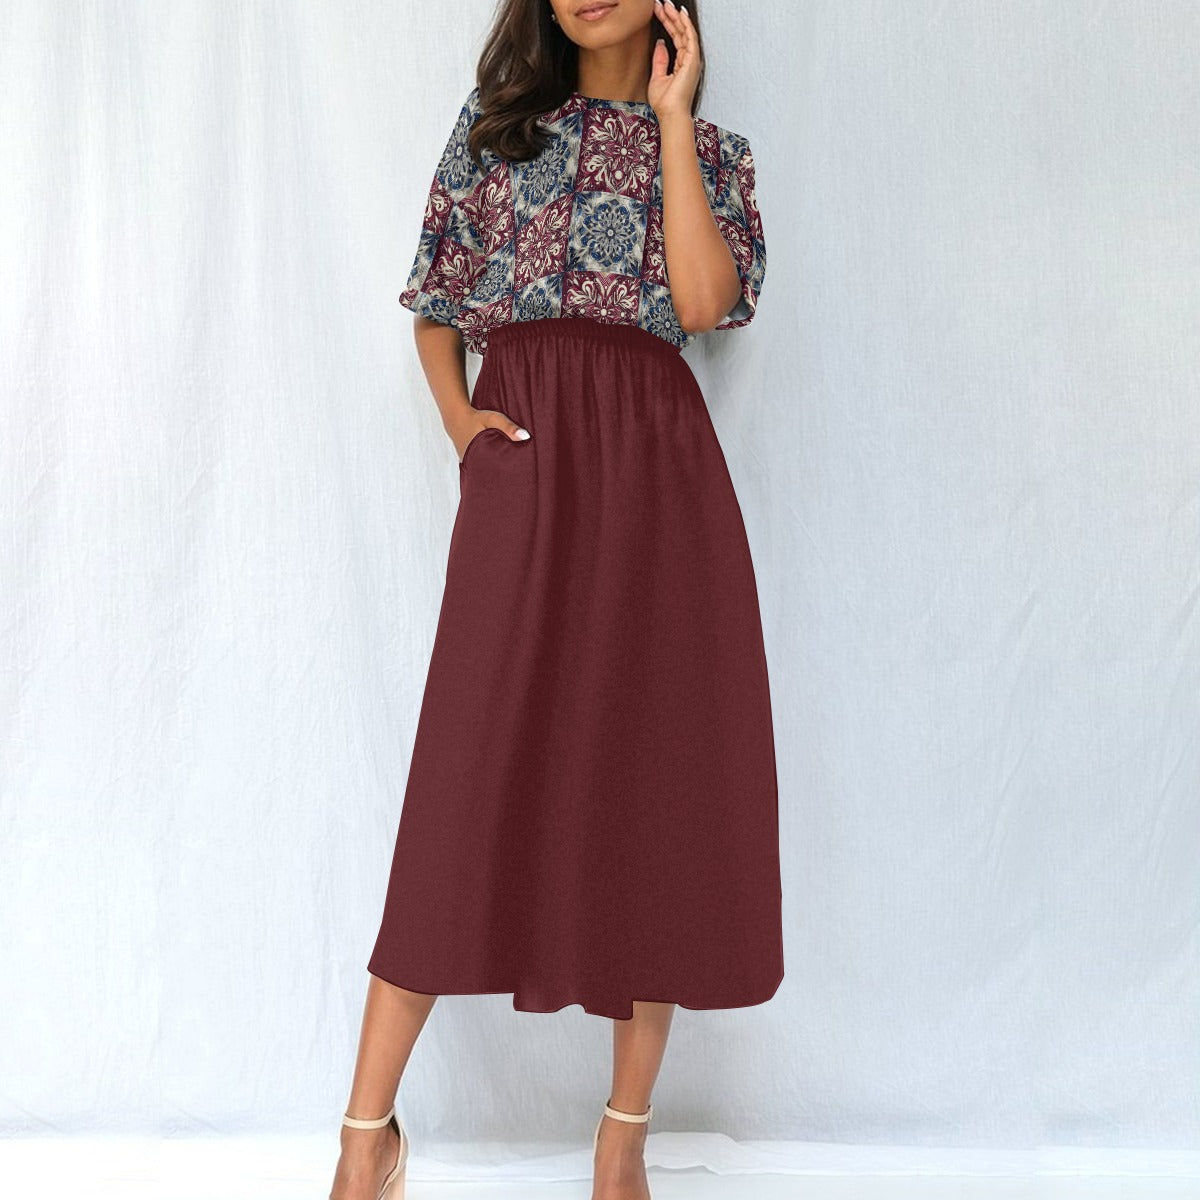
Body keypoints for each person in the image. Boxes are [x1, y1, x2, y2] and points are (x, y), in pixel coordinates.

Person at [329, 3, 782, 1198]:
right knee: (464, 778)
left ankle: (623, 1134)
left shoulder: (717, 155)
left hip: (657, 476)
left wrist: (673, 123)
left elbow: (698, 303)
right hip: (527, 460)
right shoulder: (497, 133)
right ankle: (366, 1135)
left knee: (655, 791)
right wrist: (460, 423)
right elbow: (439, 301)